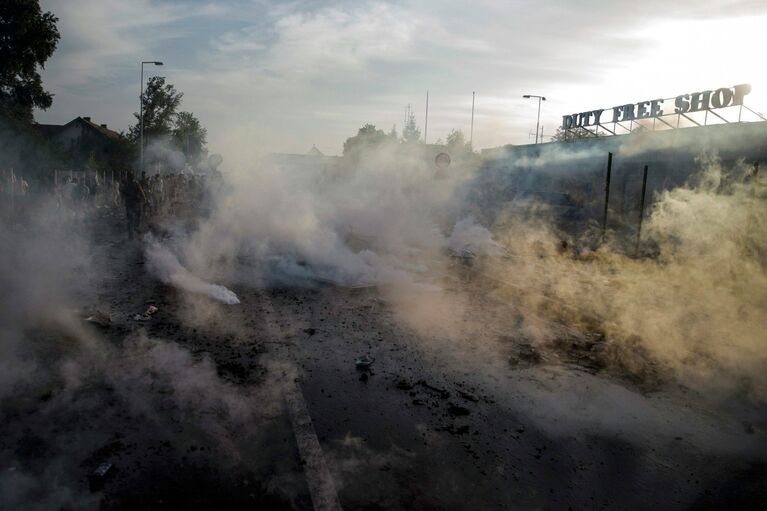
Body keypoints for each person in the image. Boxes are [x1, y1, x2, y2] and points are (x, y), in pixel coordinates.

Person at [120, 171, 146, 240]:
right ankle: (132, 232)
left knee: (133, 218)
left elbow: (122, 194)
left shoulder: (129, 184)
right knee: (133, 218)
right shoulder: (132, 184)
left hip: (132, 203)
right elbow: (141, 192)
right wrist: (144, 198)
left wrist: (144, 198)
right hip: (134, 203)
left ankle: (132, 231)